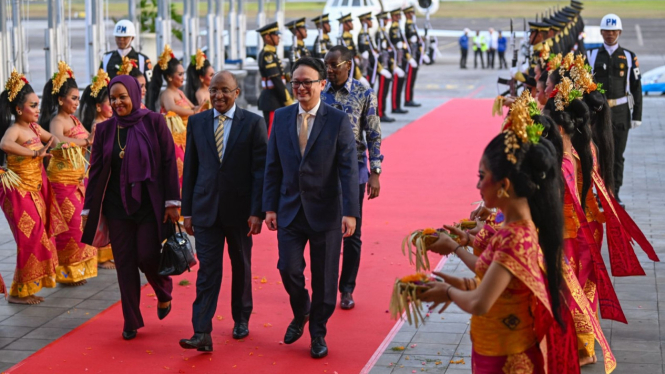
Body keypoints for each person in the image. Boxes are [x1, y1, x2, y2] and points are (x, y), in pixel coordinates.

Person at [420, 99, 581, 372]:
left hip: (506, 360)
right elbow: (498, 283)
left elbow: (481, 303)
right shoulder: (512, 228)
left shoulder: (518, 236)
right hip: (493, 350)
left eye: (482, 176)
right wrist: (456, 265)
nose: (478, 185)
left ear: (504, 185)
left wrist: (447, 291)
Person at [263, 57, 359, 358]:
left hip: (326, 211)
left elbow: (348, 168)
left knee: (326, 280)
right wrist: (269, 207)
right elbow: (272, 166)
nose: (301, 87)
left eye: (307, 82)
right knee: (288, 268)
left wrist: (350, 211)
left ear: (322, 84)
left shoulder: (338, 119)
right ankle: (302, 309)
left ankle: (318, 332)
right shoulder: (280, 116)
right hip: (289, 209)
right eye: (296, 82)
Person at [81, 75, 180, 340]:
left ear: (135, 95)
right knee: (124, 263)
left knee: (147, 256)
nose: (117, 102)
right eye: (113, 98)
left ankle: (162, 289)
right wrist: (88, 209)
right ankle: (131, 320)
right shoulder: (104, 130)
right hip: (116, 206)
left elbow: (169, 162)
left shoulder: (154, 122)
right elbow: (97, 170)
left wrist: (173, 201)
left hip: (149, 204)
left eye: (123, 97)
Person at [179, 71, 268, 351]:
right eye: (214, 90)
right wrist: (187, 211)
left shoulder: (254, 123)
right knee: (208, 271)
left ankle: (241, 318)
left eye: (225, 90)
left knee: (241, 265)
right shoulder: (197, 122)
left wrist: (257, 211)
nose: (218, 95)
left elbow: (259, 173)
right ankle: (202, 331)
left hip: (240, 212)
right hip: (205, 211)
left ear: (237, 92)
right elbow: (190, 169)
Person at [321, 46, 383, 311]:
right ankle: (324, 287)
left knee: (352, 233)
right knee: (324, 231)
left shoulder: (363, 92)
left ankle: (346, 289)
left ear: (349, 65)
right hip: (322, 172)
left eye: (334, 65)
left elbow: (373, 133)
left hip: (354, 171)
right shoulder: (319, 92)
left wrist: (375, 171)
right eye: (327, 65)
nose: (330, 70)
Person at [0, 70, 66, 305]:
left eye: (38, 105)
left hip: (36, 188)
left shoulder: (35, 128)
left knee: (39, 234)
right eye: (33, 105)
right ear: (19, 109)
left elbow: (55, 139)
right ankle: (20, 292)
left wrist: (50, 143)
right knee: (30, 236)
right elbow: (5, 144)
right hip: (17, 190)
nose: (38, 110)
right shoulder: (15, 129)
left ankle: (22, 289)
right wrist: (35, 153)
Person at [39, 61, 98, 286]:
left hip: (77, 181)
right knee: (69, 228)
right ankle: (66, 274)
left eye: (78, 98)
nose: (77, 102)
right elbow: (56, 141)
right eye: (73, 98)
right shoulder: (57, 120)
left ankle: (76, 272)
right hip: (61, 182)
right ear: (60, 99)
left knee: (80, 226)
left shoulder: (73, 119)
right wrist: (85, 140)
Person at [586, 13, 642, 207]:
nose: (610, 34)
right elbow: (583, 86)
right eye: (607, 31)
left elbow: (636, 88)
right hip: (597, 115)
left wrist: (637, 116)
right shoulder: (591, 56)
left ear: (619, 32)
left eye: (614, 31)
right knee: (598, 155)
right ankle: (600, 193)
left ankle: (614, 193)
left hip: (620, 114)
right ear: (601, 32)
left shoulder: (628, 56)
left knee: (617, 155)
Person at [148, 45, 200, 187]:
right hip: (174, 141)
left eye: (183, 73)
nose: (183, 77)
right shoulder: (167, 94)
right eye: (180, 74)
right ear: (170, 77)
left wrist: (203, 106)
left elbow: (193, 107)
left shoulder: (180, 92)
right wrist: (195, 112)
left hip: (186, 138)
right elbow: (172, 108)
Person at [79, 69, 115, 269]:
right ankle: (102, 257)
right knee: (100, 213)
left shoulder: (107, 122)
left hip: (105, 173)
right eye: (110, 103)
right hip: (99, 174)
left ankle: (108, 254)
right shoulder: (98, 125)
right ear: (99, 107)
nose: (113, 106)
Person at [257, 22, 293, 134]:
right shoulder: (268, 55)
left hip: (275, 99)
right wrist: (287, 99)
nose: (279, 37)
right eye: (276, 35)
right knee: (271, 134)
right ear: (267, 37)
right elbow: (276, 80)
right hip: (272, 99)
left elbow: (279, 76)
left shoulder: (272, 54)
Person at [375, 11, 397, 122]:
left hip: (386, 65)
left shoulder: (384, 33)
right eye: (384, 19)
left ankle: (382, 112)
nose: (386, 21)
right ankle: (380, 113)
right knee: (382, 91)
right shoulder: (379, 34)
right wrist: (381, 68)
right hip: (382, 66)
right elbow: (378, 53)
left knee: (385, 91)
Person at [389, 8, 412, 114]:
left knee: (400, 83)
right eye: (396, 15)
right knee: (396, 84)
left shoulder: (398, 29)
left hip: (401, 58)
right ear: (393, 17)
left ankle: (397, 105)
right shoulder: (393, 29)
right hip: (396, 60)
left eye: (399, 15)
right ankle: (394, 106)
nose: (398, 17)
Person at [403, 6, 425, 107]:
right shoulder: (407, 26)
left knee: (412, 79)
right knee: (409, 79)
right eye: (410, 13)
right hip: (411, 56)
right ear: (407, 14)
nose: (412, 14)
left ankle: (410, 98)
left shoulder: (412, 25)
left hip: (415, 55)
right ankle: (407, 99)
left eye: (413, 12)